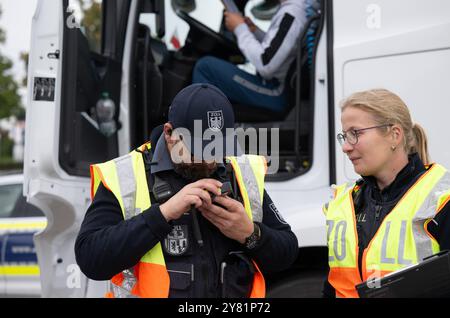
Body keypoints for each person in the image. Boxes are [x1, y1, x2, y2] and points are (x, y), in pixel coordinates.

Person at [75, 83, 298, 298]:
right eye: (196, 149)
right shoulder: (126, 175)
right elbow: (91, 259)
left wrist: (250, 234)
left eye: (216, 150)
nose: (208, 161)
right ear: (169, 133)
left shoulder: (240, 171)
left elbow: (287, 252)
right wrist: (163, 214)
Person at [322, 89, 450, 298]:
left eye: (356, 133)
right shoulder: (343, 202)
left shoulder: (441, 199)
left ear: (394, 135)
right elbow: (331, 287)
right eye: (344, 136)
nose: (345, 147)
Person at [192, 0, 307, 112]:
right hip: (274, 84)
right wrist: (254, 31)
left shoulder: (293, 12)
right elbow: (279, 47)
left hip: (276, 91)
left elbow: (265, 65)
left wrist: (239, 28)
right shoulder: (292, 9)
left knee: (205, 67)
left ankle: (203, 128)